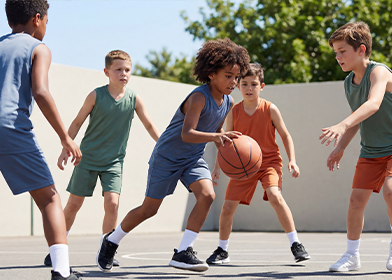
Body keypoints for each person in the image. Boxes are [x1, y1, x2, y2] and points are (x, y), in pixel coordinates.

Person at [95, 38, 250, 272]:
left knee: (207, 195)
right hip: (167, 156)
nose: (233, 82)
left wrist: (229, 145)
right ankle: (111, 240)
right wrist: (215, 138)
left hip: (193, 158)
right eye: (228, 76)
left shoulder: (228, 101)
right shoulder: (198, 97)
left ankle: (183, 252)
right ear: (211, 74)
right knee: (149, 209)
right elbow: (187, 134)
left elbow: (216, 131)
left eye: (236, 77)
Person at [43, 50, 160, 267]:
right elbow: (77, 122)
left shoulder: (134, 99)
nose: (123, 73)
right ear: (107, 72)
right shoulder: (95, 95)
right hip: (86, 159)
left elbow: (150, 125)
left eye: (127, 70)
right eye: (118, 70)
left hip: (114, 162)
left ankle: (107, 249)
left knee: (113, 204)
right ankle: (57, 246)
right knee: (74, 204)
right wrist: (65, 147)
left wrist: (163, 145)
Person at [0, 1, 83, 280]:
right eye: (48, 20)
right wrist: (65, 137)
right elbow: (41, 91)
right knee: (49, 198)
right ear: (38, 19)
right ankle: (61, 271)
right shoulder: (39, 48)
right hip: (10, 127)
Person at [206, 63, 310, 265]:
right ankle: (222, 250)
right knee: (227, 207)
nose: (249, 88)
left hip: (269, 162)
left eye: (253, 84)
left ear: (261, 86)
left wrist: (293, 161)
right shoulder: (234, 111)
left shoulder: (270, 109)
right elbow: (227, 142)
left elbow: (286, 135)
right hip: (243, 165)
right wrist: (218, 167)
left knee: (275, 195)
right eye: (244, 84)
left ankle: (296, 244)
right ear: (238, 86)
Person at [320, 21, 392, 272]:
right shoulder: (348, 82)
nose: (338, 57)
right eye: (336, 52)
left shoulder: (379, 72)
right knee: (356, 201)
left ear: (361, 50)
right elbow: (357, 115)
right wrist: (340, 147)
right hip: (372, 149)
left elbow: (372, 104)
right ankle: (352, 256)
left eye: (342, 51)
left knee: (391, 191)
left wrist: (341, 124)